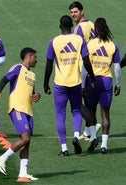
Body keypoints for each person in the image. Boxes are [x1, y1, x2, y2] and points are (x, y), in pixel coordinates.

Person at [43, 15, 96, 156]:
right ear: (71, 26)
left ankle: (64, 148)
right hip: (76, 83)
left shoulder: (53, 42)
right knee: (77, 111)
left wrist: (45, 84)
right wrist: (93, 77)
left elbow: (49, 64)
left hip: (60, 84)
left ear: (60, 26)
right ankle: (77, 135)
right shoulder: (79, 40)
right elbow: (86, 61)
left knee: (60, 115)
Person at [0, 47, 40, 183]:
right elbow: (5, 79)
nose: (36, 60)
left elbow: (32, 93)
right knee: (25, 138)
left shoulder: (32, 75)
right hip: (17, 108)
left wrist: (37, 96)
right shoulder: (18, 68)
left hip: (28, 110)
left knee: (27, 142)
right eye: (35, 57)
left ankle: (23, 174)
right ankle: (2, 159)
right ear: (29, 57)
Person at [85, 17, 121, 154]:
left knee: (91, 110)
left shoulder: (89, 44)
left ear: (95, 29)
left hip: (92, 80)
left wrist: (83, 84)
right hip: (107, 80)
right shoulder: (113, 46)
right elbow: (117, 68)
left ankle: (94, 137)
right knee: (105, 114)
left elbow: (85, 66)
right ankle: (104, 145)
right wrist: (118, 84)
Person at [68, 1, 101, 141]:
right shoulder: (93, 25)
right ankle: (88, 131)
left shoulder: (77, 29)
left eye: (75, 12)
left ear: (82, 11)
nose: (73, 15)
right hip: (95, 65)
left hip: (83, 67)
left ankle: (92, 126)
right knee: (88, 101)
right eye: (71, 13)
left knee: (78, 100)